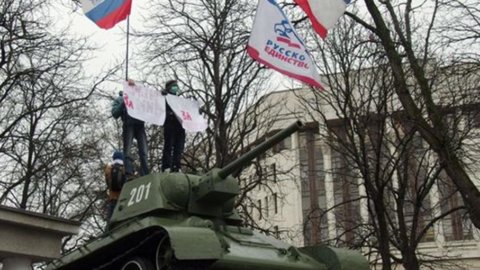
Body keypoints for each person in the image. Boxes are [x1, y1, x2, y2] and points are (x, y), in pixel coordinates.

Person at [111, 80, 149, 178]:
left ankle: (145, 174)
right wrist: (123, 102)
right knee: (127, 150)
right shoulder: (120, 99)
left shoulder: (140, 97)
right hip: (129, 124)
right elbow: (115, 113)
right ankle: (129, 173)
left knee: (144, 151)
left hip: (140, 125)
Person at [161, 80, 186, 172]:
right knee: (169, 145)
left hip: (180, 125)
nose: (176, 88)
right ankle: (166, 166)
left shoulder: (179, 100)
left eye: (177, 86)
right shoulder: (164, 97)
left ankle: (177, 166)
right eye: (174, 86)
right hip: (170, 124)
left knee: (179, 147)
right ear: (169, 88)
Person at [104, 150, 126, 220]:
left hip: (112, 198)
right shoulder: (125, 168)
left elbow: (108, 183)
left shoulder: (108, 168)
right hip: (123, 199)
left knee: (110, 222)